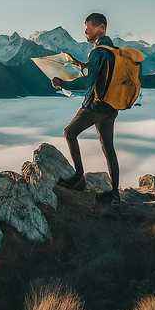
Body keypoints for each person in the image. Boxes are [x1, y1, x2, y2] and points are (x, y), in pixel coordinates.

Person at [51, 13, 120, 204]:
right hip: (111, 107)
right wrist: (79, 63)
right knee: (108, 148)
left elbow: (89, 80)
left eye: (89, 27)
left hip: (95, 105)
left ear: (101, 28)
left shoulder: (98, 51)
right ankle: (115, 194)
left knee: (69, 132)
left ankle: (78, 178)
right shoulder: (111, 49)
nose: (86, 31)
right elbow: (93, 70)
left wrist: (62, 83)